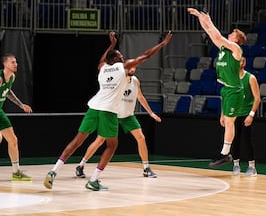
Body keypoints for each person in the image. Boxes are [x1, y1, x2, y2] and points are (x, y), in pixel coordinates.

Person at [44, 30, 172, 191]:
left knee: (77, 141)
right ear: (115, 59)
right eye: (119, 55)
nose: (122, 56)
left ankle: (53, 171)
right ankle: (93, 180)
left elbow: (103, 58)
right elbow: (145, 56)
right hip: (108, 110)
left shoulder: (102, 68)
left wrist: (112, 44)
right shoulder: (123, 67)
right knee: (111, 145)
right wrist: (162, 44)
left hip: (93, 108)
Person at [75, 67, 161, 179]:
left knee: (141, 137)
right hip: (113, 115)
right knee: (100, 140)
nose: (132, 68)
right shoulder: (118, 81)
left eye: (134, 67)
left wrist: (151, 113)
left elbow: (140, 96)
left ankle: (146, 168)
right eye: (130, 67)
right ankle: (81, 165)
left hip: (128, 116)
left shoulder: (135, 81)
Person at [188, 8, 246, 168]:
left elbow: (217, 35)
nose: (230, 35)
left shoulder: (236, 50)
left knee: (229, 123)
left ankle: (225, 154)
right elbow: (210, 33)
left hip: (235, 90)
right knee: (226, 121)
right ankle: (225, 153)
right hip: (226, 90)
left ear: (237, 39)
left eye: (233, 34)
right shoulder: (223, 49)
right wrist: (201, 17)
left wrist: (209, 19)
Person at [0, 54, 33, 181]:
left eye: (16, 62)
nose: (16, 64)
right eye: (13, 62)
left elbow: (7, 92)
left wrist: (21, 105)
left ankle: (16, 172)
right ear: (5, 64)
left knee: (13, 140)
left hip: (0, 112)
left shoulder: (12, 77)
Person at [231, 57, 260, 176]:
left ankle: (252, 167)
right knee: (234, 140)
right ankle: (236, 165)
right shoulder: (231, 78)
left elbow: (257, 98)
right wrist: (224, 114)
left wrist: (251, 115)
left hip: (246, 113)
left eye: (240, 61)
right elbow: (228, 97)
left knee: (247, 140)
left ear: (244, 63)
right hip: (234, 114)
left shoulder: (250, 78)